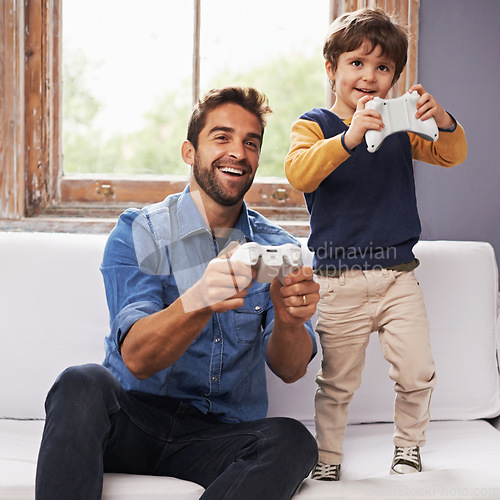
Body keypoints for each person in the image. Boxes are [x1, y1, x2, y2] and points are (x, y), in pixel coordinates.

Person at [36, 86, 320, 500]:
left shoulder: (277, 246)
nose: (238, 152)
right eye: (221, 138)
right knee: (80, 383)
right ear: (189, 152)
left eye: (251, 143)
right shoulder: (140, 231)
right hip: (133, 421)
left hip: (216, 434)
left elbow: (292, 369)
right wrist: (199, 299)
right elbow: (137, 358)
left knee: (292, 439)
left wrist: (291, 321)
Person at [284, 8, 467, 481]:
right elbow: (299, 172)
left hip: (397, 277)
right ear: (332, 70)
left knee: (416, 371)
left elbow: (452, 154)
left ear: (394, 79)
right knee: (337, 383)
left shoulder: (401, 124)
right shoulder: (314, 124)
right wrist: (348, 137)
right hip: (337, 279)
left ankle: (409, 447)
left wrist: (442, 119)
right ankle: (327, 458)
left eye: (383, 68)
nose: (369, 77)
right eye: (357, 64)